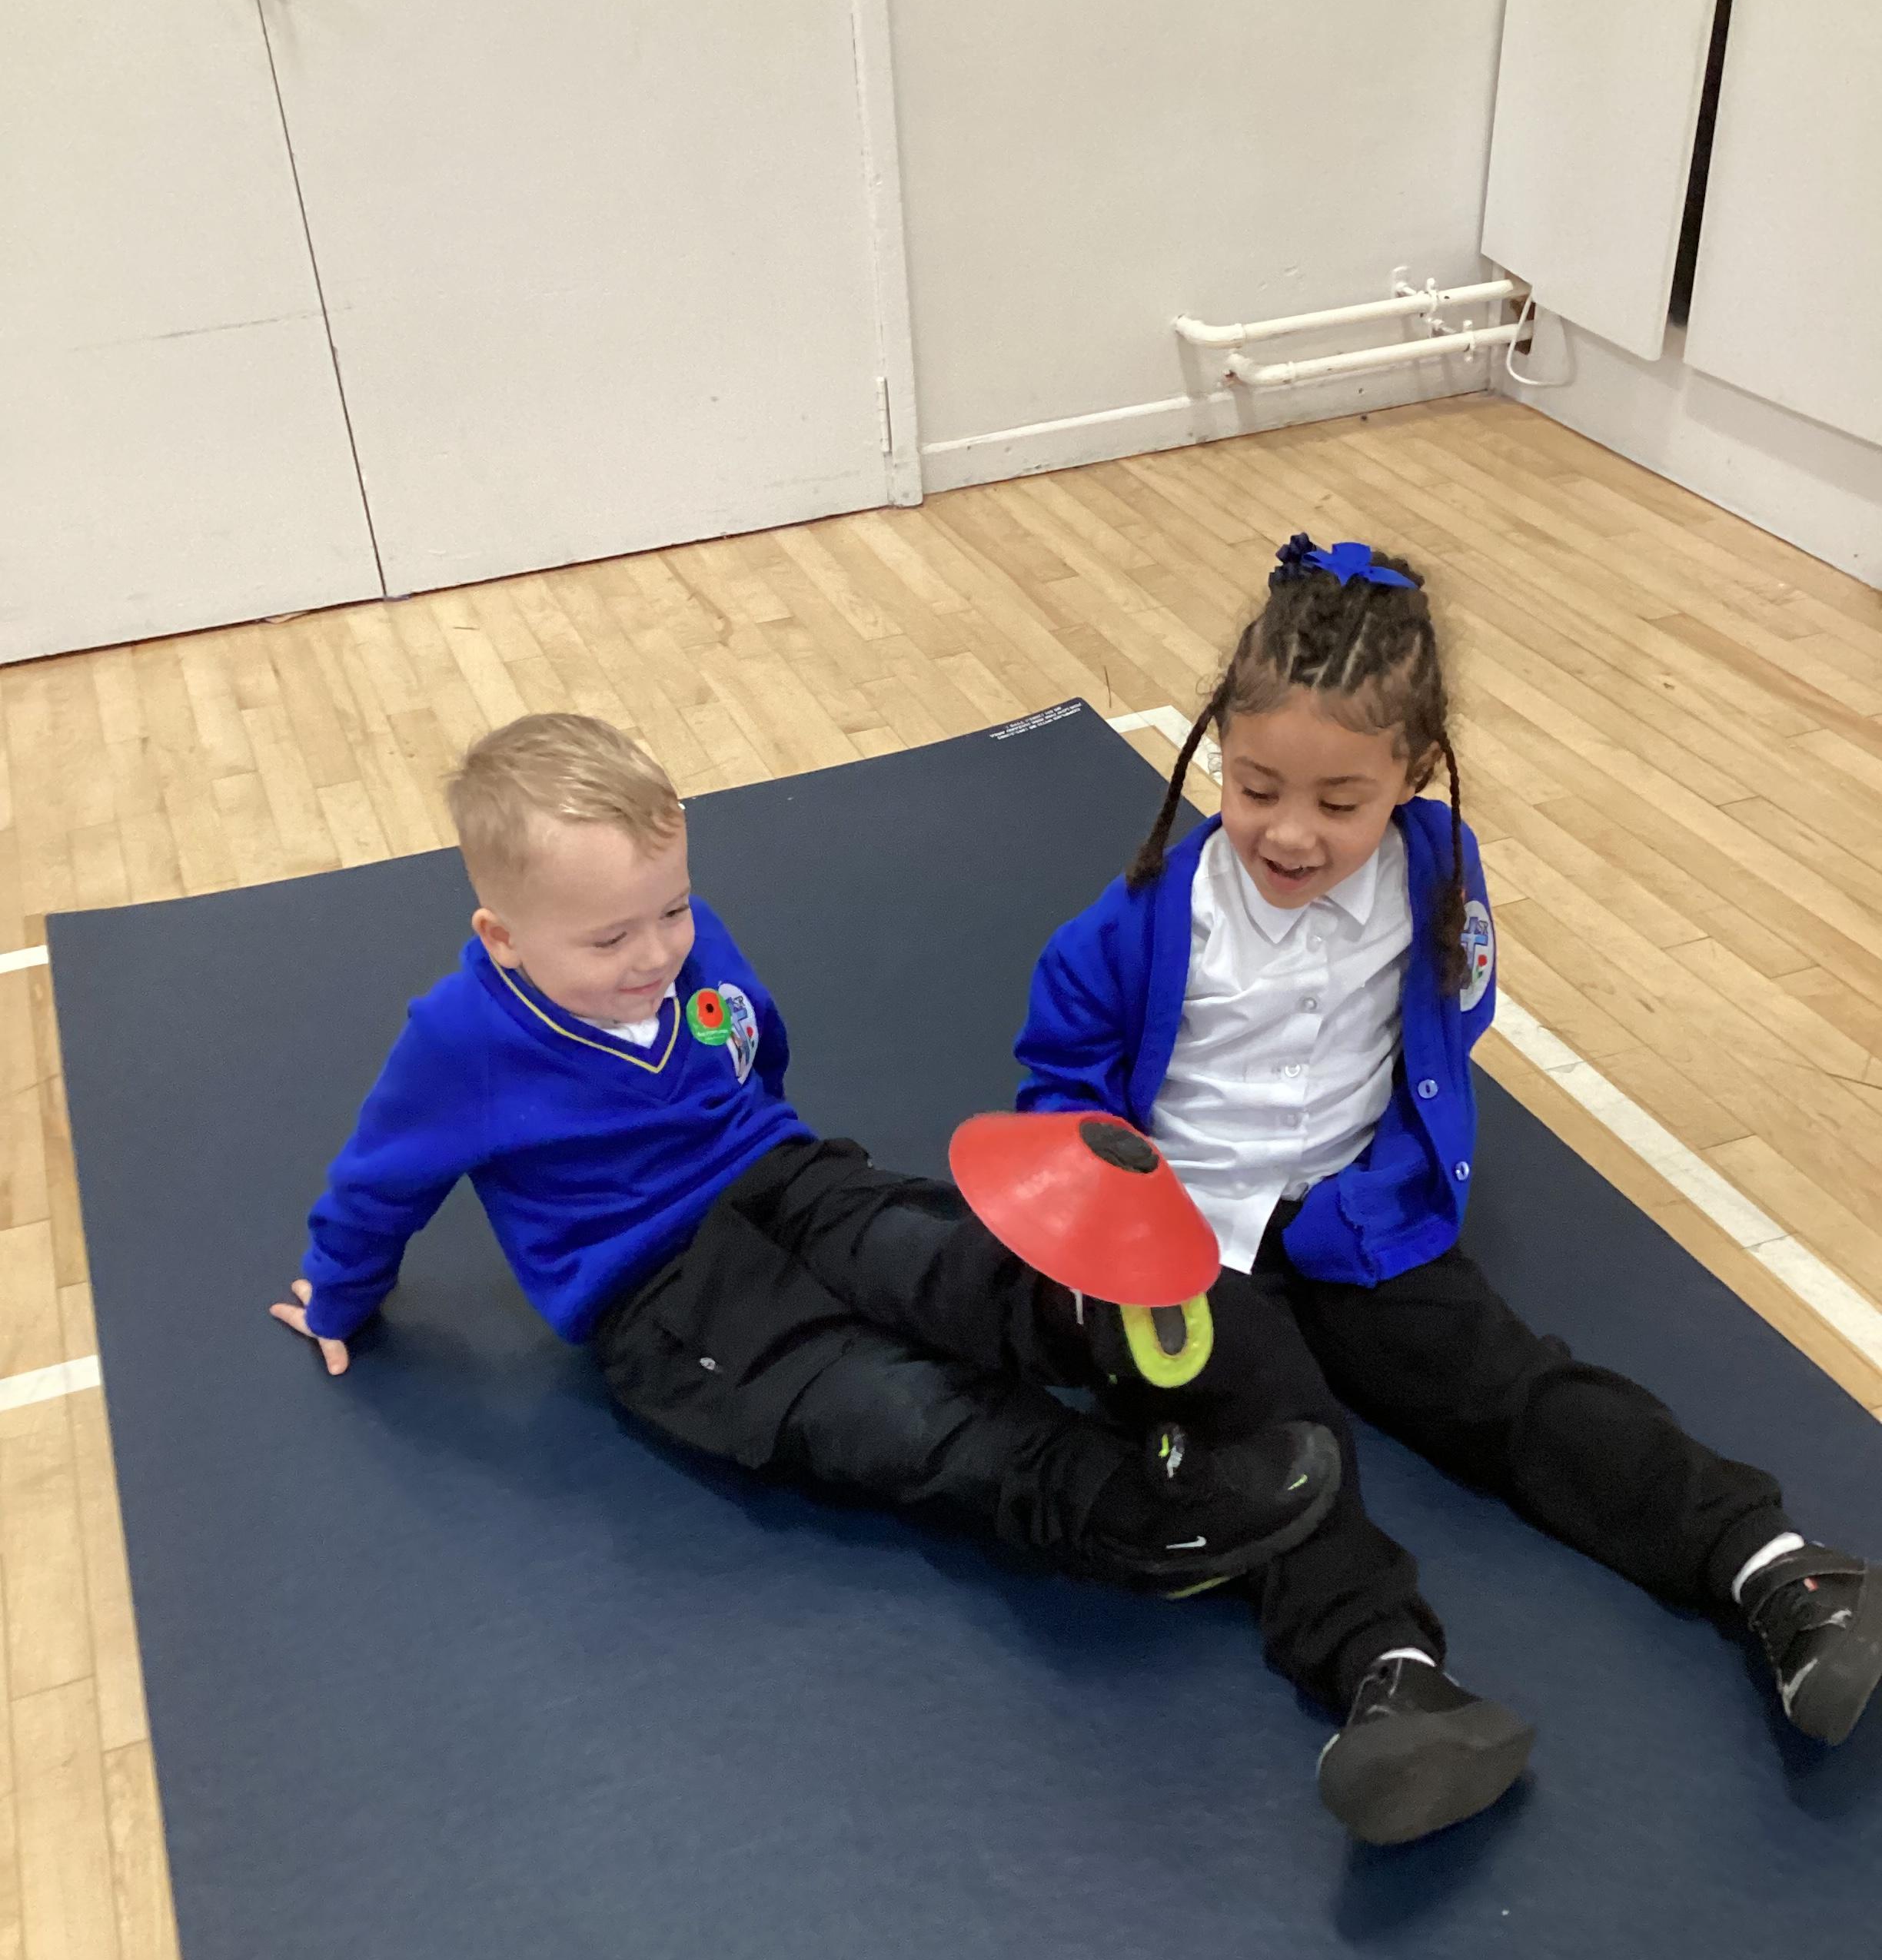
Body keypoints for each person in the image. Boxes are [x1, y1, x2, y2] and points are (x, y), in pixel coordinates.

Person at [1012, 533, 1881, 1847]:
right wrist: (1106, 1228)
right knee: (1278, 1443)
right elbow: (1056, 1092)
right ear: (1218, 750)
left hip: (1358, 1218)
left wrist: (1402, 1171)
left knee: (1507, 1385)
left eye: (1340, 802)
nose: (1290, 831)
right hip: (1191, 1253)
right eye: (1256, 787)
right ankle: (1389, 1676)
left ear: (1413, 774)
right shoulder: (1135, 925)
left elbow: (1454, 1010)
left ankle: (1776, 1569)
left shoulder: (1436, 870)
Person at [270, 714, 1338, 1603]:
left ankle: (1087, 1324)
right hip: (660, 1291)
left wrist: (783, 1147)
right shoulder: (459, 1041)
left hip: (779, 1174)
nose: (656, 954)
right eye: (609, 940)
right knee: (889, 1407)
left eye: (671, 911)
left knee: (930, 1252)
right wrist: (340, 1294)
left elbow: (754, 1034)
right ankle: (1132, 1514)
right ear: (503, 937)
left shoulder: (687, 941)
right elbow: (382, 1179)